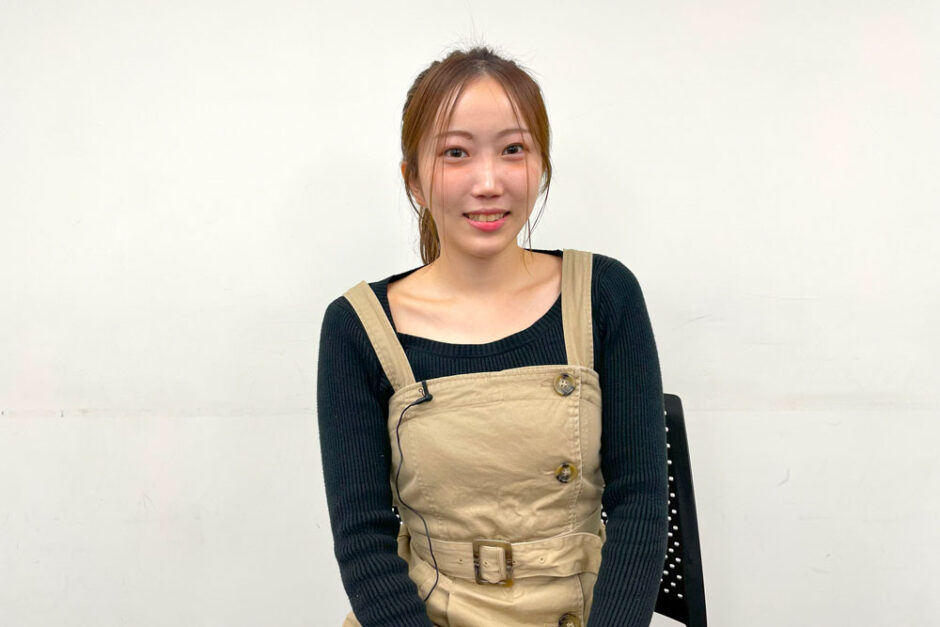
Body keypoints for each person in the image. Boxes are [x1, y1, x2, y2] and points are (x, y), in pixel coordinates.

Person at [317, 45, 668, 626]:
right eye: (455, 153)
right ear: (413, 180)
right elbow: (364, 541)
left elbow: (641, 507)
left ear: (541, 166)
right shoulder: (359, 326)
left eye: (513, 150)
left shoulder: (604, 294)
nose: (488, 182)